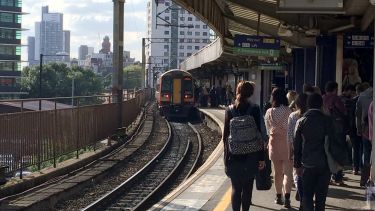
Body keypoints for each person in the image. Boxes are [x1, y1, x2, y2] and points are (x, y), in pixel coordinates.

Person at [223, 81, 265, 211]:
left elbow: (225, 137)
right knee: (247, 189)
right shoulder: (256, 109)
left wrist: (226, 158)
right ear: (251, 93)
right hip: (252, 155)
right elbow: (260, 134)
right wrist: (262, 157)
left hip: (234, 155)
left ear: (237, 91)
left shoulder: (229, 110)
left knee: (236, 188)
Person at [294, 93, 339, 211]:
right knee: (321, 197)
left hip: (307, 164)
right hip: (325, 164)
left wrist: (297, 165)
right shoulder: (328, 120)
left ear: (308, 105)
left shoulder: (301, 121)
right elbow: (334, 142)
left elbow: (297, 146)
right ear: (321, 104)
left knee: (307, 196)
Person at [265, 88, 293, 208]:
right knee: (287, 173)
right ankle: (287, 198)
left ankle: (278, 196)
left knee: (277, 173)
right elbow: (291, 129)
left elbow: (267, 130)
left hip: (274, 144)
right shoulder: (289, 111)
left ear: (273, 97)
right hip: (287, 144)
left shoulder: (269, 112)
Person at [322, 81, 348, 185]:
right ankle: (338, 177)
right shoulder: (336, 98)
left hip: (325, 128)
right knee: (338, 152)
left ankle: (328, 176)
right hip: (337, 128)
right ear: (334, 89)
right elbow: (343, 111)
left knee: (327, 151)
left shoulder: (322, 98)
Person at [287, 93, 308, 210]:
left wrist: (290, 151)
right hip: (310, 149)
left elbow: (289, 136)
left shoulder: (293, 116)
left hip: (297, 149)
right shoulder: (310, 116)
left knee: (297, 174)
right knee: (307, 174)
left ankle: (301, 196)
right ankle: (304, 196)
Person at [356, 81, 373, 186]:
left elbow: (357, 115)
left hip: (366, 129)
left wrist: (358, 128)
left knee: (366, 154)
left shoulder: (361, 97)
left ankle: (364, 179)